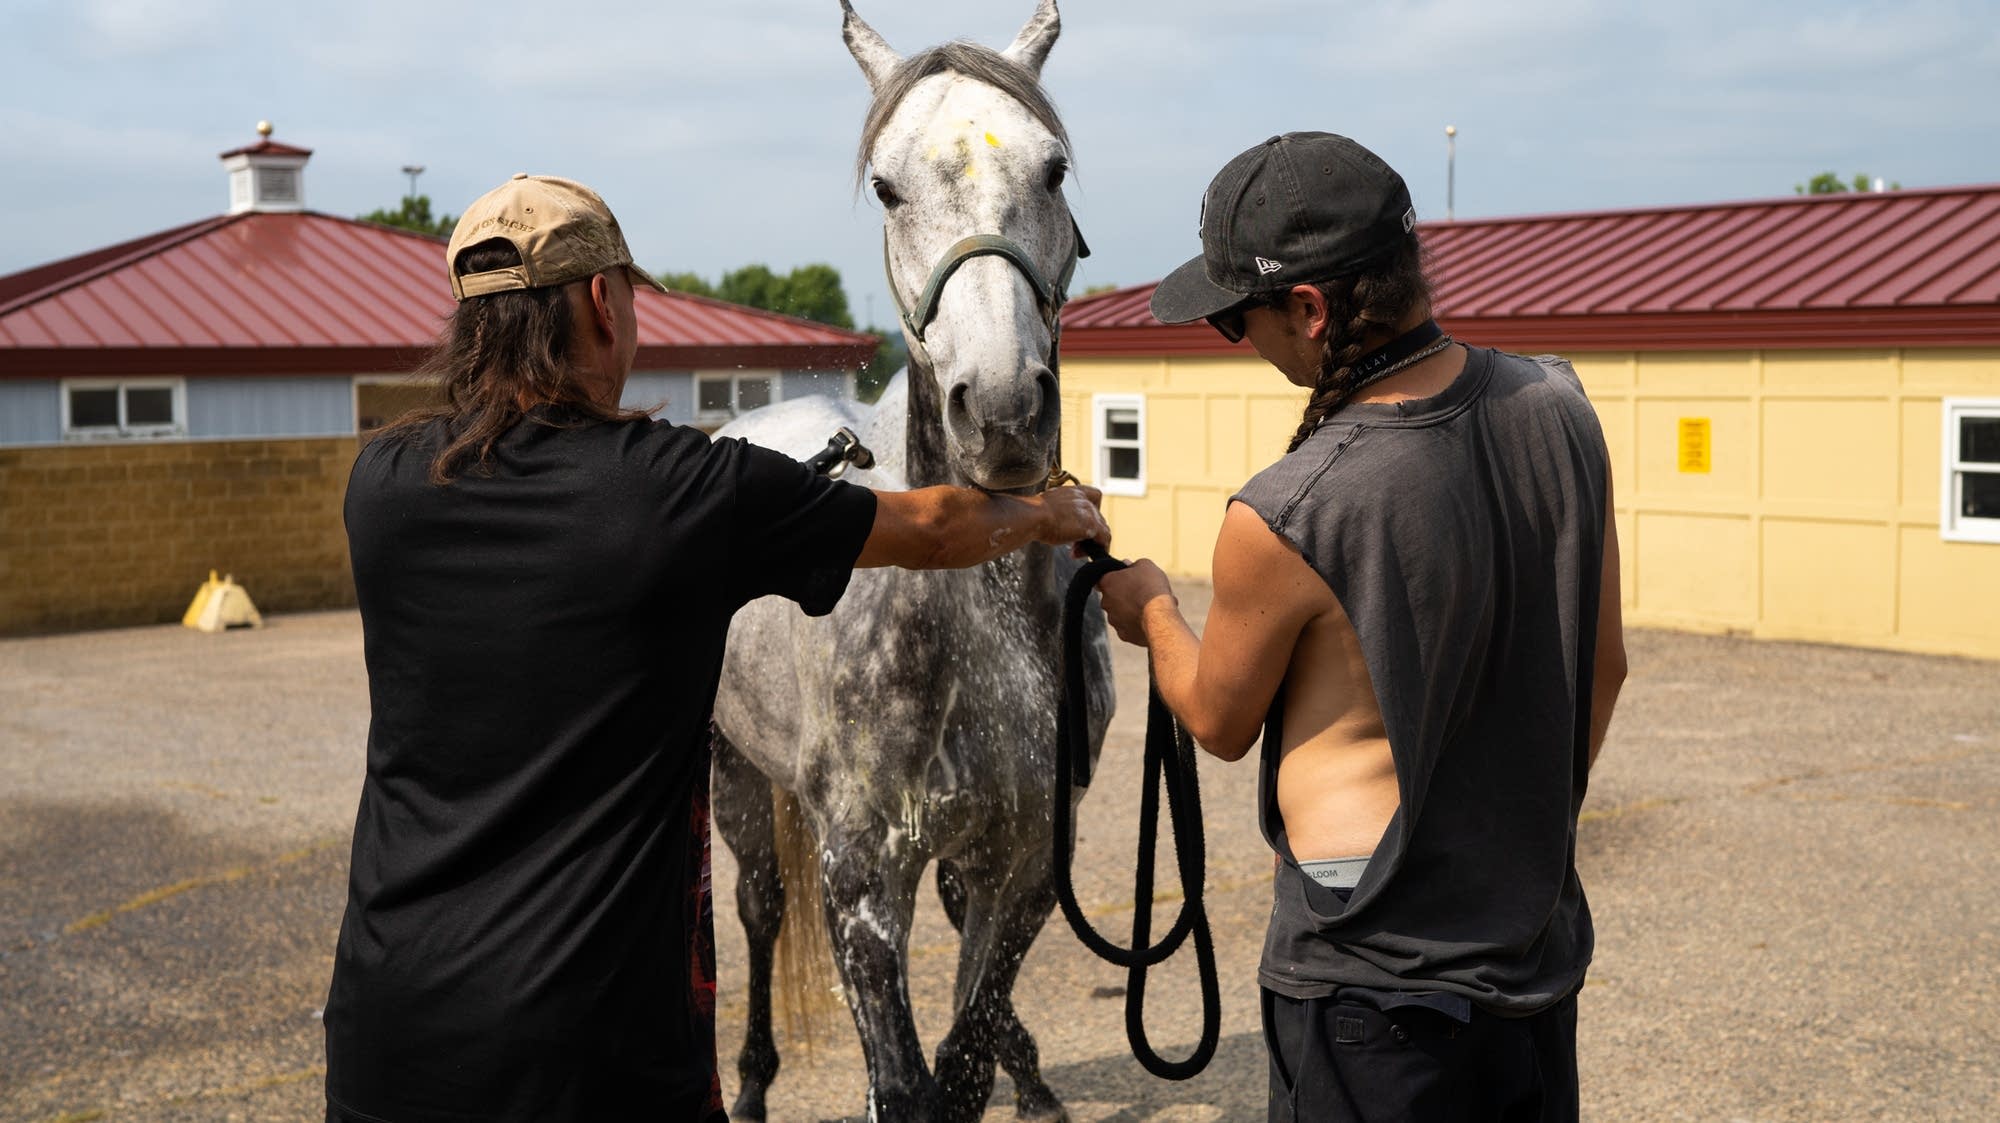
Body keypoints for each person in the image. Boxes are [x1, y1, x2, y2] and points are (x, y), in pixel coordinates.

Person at [323, 173, 1108, 1123]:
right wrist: (1051, 512)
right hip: (595, 1053)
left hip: (387, 1034)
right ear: (603, 303)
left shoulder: (381, 483)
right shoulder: (682, 491)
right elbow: (936, 529)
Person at [1095, 133, 1626, 1121]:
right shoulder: (1559, 406)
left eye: (1236, 320)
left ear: (1308, 309)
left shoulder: (1289, 507)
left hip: (1369, 984)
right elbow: (1602, 667)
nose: (1242, 343)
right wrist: (1513, 846)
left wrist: (1153, 609)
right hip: (1532, 955)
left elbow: (1217, 718)